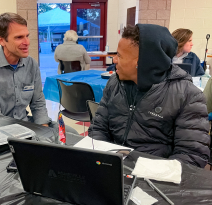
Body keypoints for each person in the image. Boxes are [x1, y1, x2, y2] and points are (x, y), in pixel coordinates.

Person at [89, 24, 210, 168]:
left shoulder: (187, 95)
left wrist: (144, 172)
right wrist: (102, 161)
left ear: (142, 63)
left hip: (156, 179)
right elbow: (98, 129)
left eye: (119, 56)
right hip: (113, 167)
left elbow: (192, 156)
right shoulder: (114, 83)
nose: (114, 60)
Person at [0, 13, 78, 135]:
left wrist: (43, 131)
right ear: (1, 40)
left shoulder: (31, 64)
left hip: (25, 123)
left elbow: (38, 103)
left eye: (27, 36)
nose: (27, 42)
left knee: (72, 134)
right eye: (19, 37)